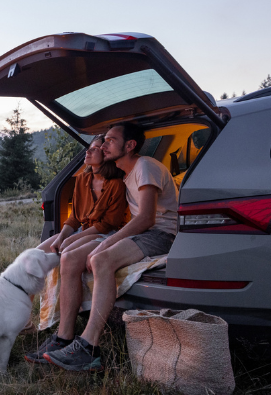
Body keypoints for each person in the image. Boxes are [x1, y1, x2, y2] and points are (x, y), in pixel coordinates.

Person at [27, 122, 179, 372]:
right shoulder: (127, 173)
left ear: (130, 146)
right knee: (71, 259)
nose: (104, 145)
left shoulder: (145, 166)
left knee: (101, 260)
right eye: (104, 140)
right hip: (141, 232)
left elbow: (147, 219)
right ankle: (64, 337)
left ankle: (89, 347)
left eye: (110, 141)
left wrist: (106, 243)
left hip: (160, 235)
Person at [36, 135, 127, 255]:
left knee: (67, 253)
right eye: (89, 148)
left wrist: (73, 238)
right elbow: (74, 218)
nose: (88, 151)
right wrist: (61, 237)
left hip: (104, 234)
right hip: (81, 231)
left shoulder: (116, 184)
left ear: (106, 153)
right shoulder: (82, 179)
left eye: (95, 149)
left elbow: (108, 224)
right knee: (34, 254)